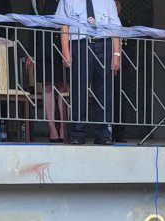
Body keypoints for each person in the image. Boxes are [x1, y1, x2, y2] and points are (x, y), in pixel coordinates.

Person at [56, 0, 122, 145]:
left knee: (104, 90)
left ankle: (103, 133)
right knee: (79, 89)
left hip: (104, 43)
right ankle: (77, 133)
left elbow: (115, 26)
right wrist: (65, 51)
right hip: (80, 44)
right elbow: (64, 25)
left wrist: (116, 54)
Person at [29, 0, 69, 143]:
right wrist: (31, 53)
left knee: (64, 87)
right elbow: (32, 25)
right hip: (43, 47)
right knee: (47, 87)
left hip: (63, 46)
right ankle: (52, 130)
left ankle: (64, 129)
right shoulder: (37, 2)